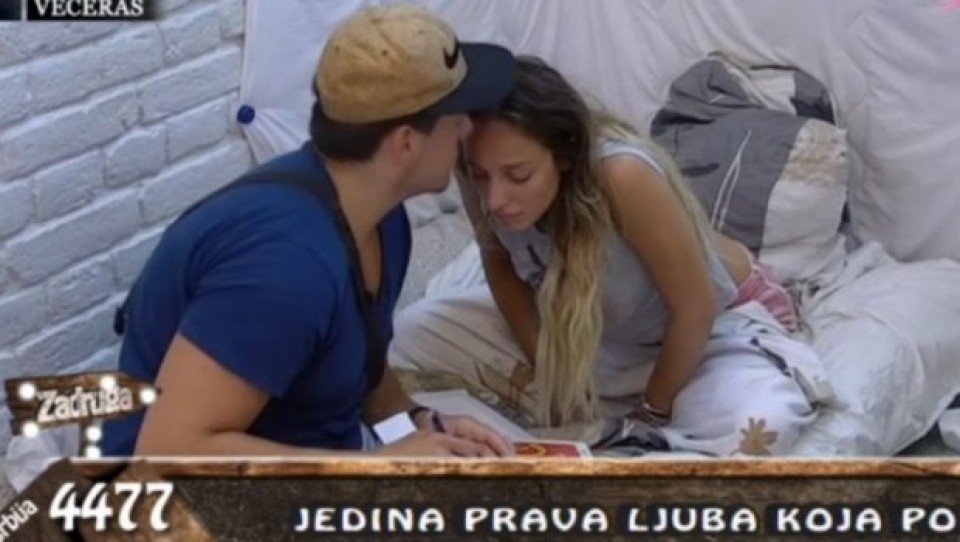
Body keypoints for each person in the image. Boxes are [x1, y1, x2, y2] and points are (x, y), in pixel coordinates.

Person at [101, 5, 518, 458]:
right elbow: (168, 451)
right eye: (456, 118)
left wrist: (419, 423)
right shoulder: (284, 270)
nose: (467, 128)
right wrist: (378, 468)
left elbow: (361, 372)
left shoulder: (382, 219)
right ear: (406, 143)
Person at [391, 56, 833, 456]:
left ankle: (640, 418)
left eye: (519, 176)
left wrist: (652, 412)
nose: (496, 199)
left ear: (563, 157)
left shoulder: (622, 176)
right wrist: (549, 371)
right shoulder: (477, 164)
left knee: (759, 426)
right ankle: (604, 405)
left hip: (705, 334)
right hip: (598, 337)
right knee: (416, 329)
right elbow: (498, 258)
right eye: (480, 176)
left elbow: (695, 307)